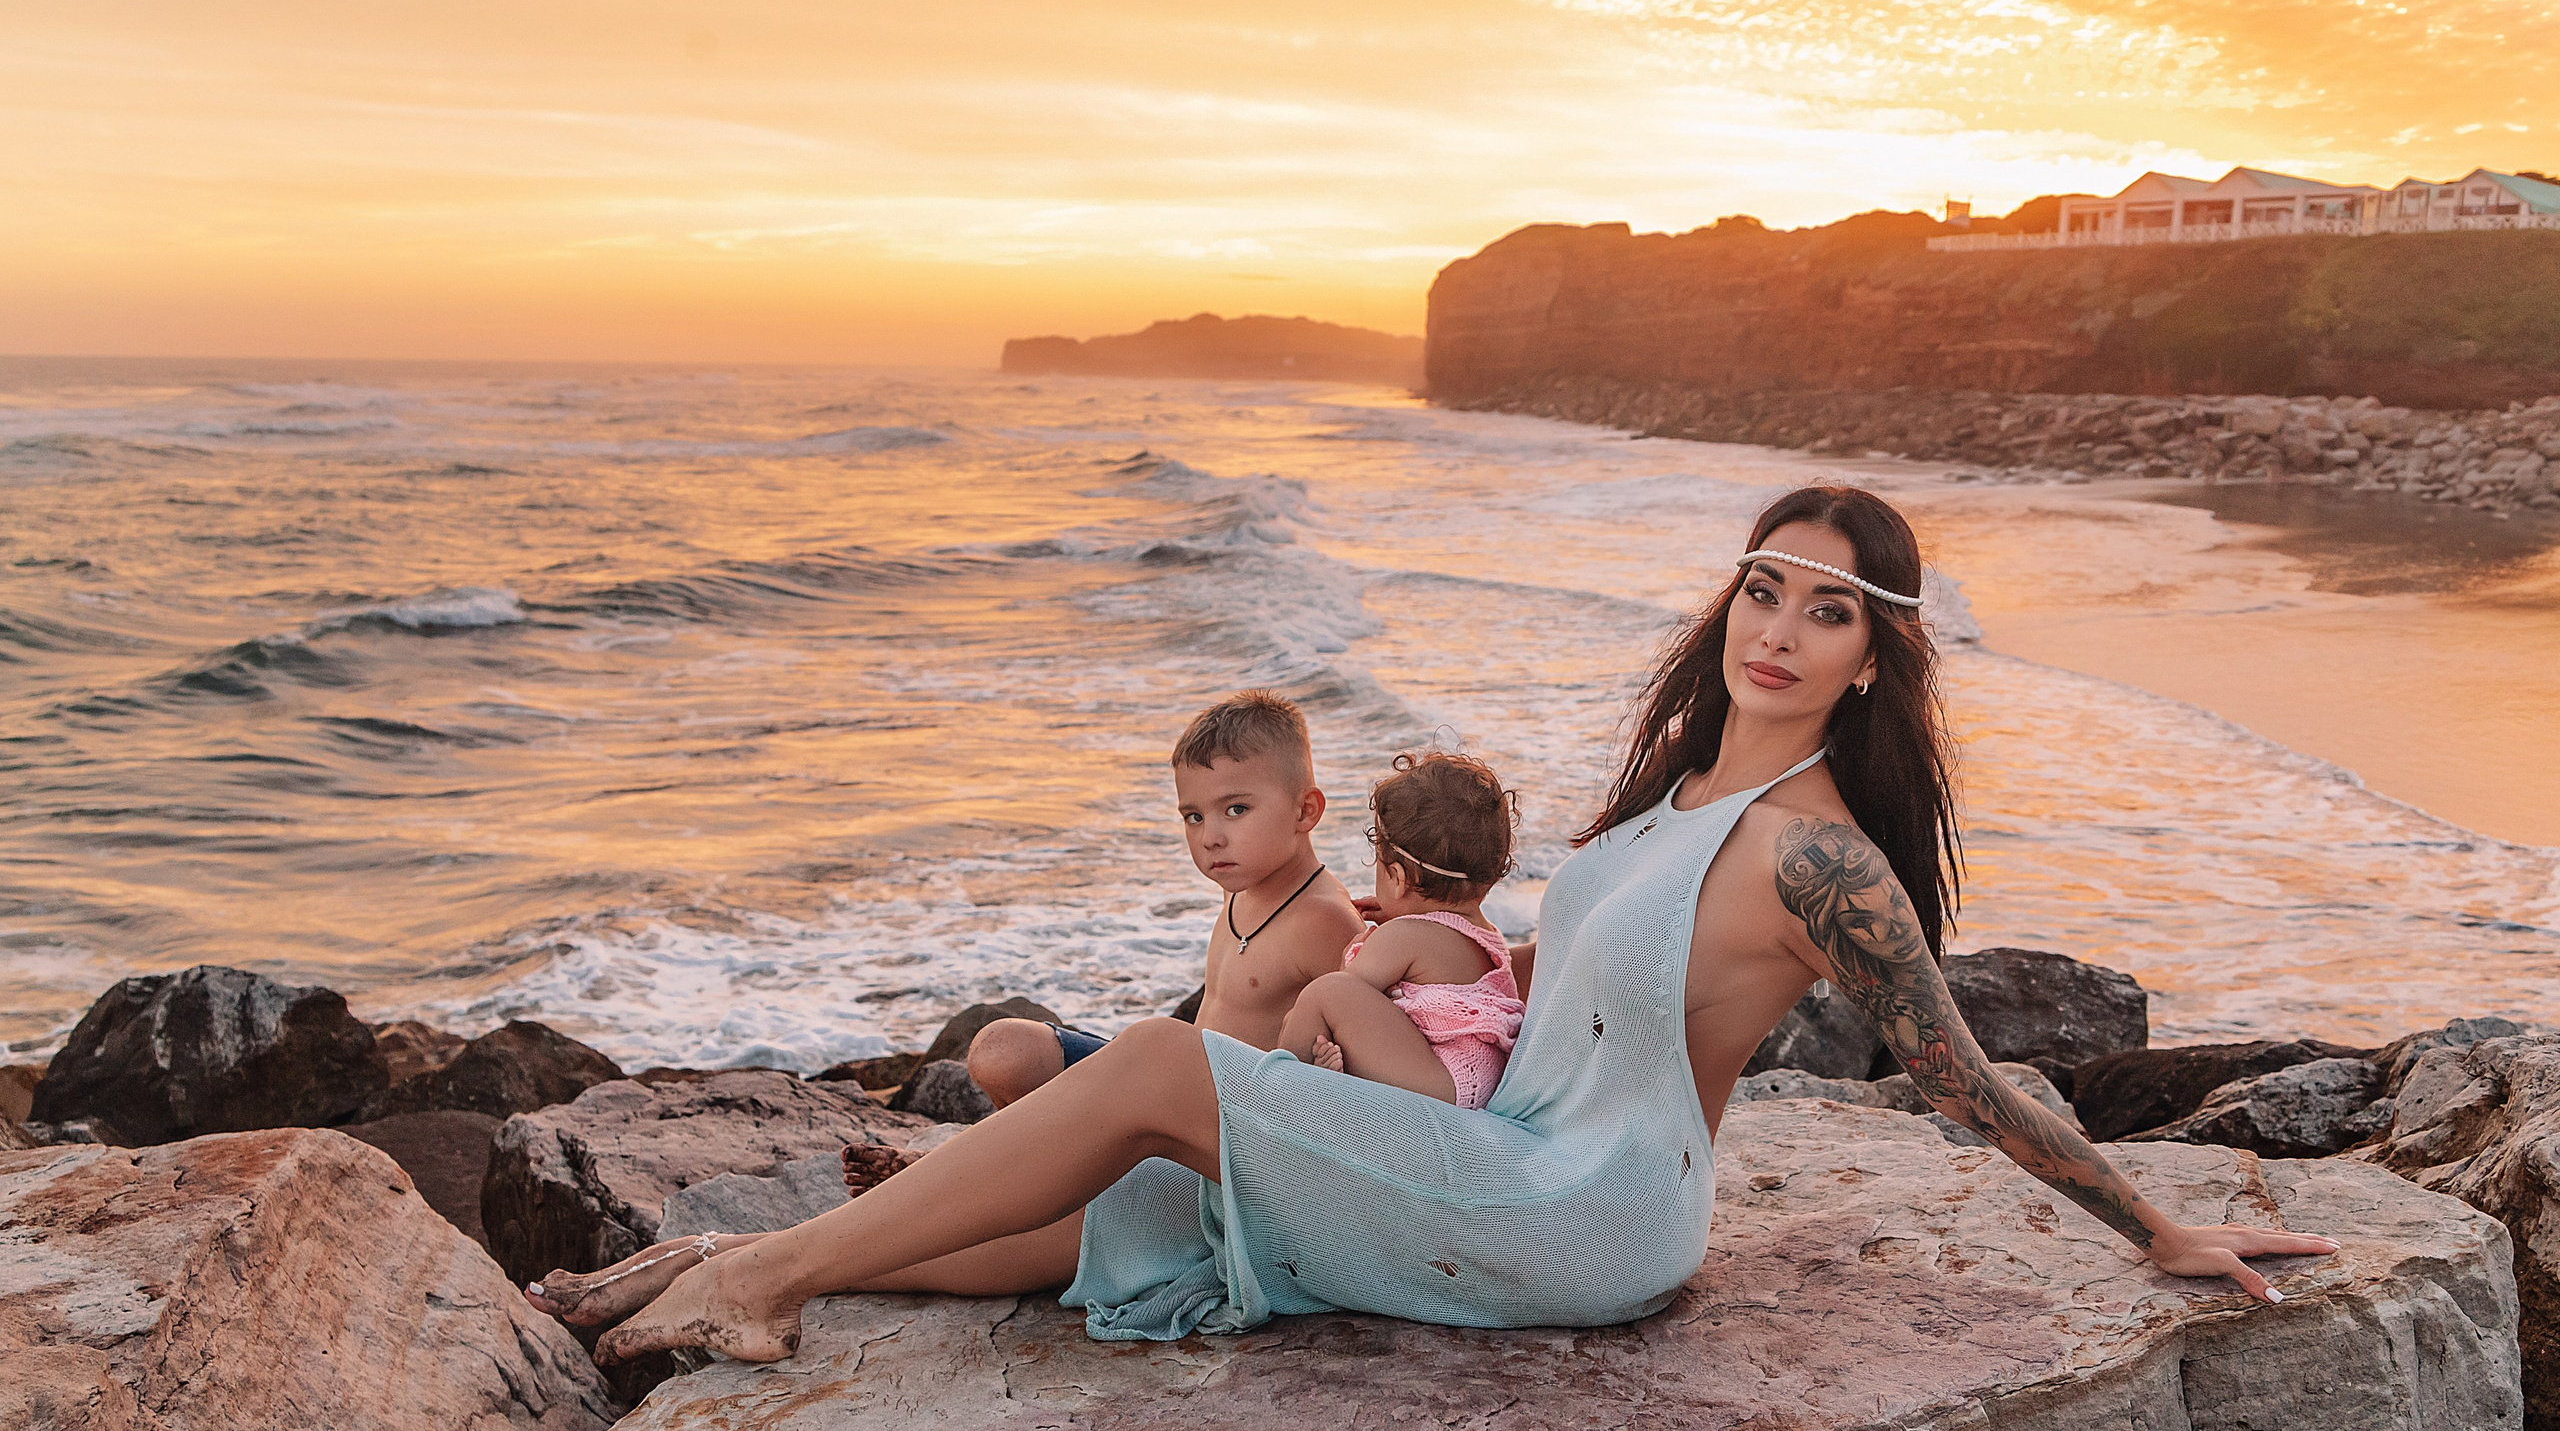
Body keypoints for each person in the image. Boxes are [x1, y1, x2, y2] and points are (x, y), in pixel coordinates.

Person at [528, 486, 2335, 1363]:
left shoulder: (1822, 857)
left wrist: (2157, 1218)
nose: (1776, 630)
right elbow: (1561, 983)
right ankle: (694, 1281)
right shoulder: (1673, 796)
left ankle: (756, 1277)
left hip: (1594, 1213)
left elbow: (1957, 1073)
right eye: (1760, 589)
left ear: (1879, 655)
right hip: (1500, 1146)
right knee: (1144, 1194)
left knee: (1162, 1064)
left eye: (1827, 613)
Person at [828, 689, 1364, 1198]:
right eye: (1193, 816)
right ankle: (1000, 1166)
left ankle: (955, 1179)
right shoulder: (1245, 890)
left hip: (1212, 1139)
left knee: (1081, 1117)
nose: (1210, 837)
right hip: (1160, 1098)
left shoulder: (1324, 921)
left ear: (1305, 811)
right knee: (1003, 1050)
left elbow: (1376, 1068)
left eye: (1236, 810)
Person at [1278, 750, 1525, 1109]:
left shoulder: (1403, 937)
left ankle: (1273, 1100)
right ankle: (1317, 1074)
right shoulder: (1484, 935)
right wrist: (1399, 917)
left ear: (1396, 879)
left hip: (1442, 1080)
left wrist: (1366, 939)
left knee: (1323, 994)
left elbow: (1351, 990)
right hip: (1475, 1079)